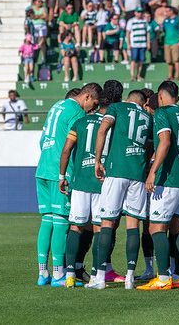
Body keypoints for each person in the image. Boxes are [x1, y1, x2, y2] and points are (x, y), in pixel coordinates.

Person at [36, 84, 101, 287]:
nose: (93, 109)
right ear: (87, 96)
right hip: (60, 173)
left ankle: (42, 273)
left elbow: (42, 139)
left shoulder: (56, 106)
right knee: (62, 222)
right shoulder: (76, 112)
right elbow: (75, 144)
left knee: (47, 221)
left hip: (43, 168)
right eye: (94, 103)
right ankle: (58, 275)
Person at [58, 82, 122, 288]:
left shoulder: (81, 122)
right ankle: (96, 274)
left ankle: (69, 275)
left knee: (76, 226)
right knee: (99, 229)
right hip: (102, 181)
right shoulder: (111, 122)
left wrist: (61, 176)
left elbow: (67, 149)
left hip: (79, 182)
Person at [89, 89, 151, 290]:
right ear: (143, 103)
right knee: (133, 225)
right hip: (138, 174)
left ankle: (99, 277)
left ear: (127, 100)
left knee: (107, 222)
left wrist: (98, 160)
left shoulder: (117, 107)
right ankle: (130, 278)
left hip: (116, 170)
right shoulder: (147, 116)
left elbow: (102, 130)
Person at [136, 81, 179, 291]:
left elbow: (165, 142)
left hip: (168, 179)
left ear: (160, 96)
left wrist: (152, 172)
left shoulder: (161, 114)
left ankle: (162, 278)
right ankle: (178, 276)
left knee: (156, 227)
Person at [126, 7, 149, 82]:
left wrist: (148, 43)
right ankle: (132, 76)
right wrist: (128, 44)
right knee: (133, 60)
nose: (140, 13)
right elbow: (128, 33)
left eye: (141, 12)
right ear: (135, 13)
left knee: (141, 61)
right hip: (134, 45)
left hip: (143, 44)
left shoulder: (144, 21)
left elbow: (147, 32)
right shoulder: (131, 21)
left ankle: (138, 76)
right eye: (138, 12)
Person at [162, 7, 179, 81]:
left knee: (176, 60)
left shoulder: (178, 19)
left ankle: (177, 76)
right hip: (167, 42)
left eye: (167, 11)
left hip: (175, 42)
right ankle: (170, 76)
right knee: (169, 60)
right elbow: (163, 30)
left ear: (172, 12)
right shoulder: (165, 20)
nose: (166, 13)